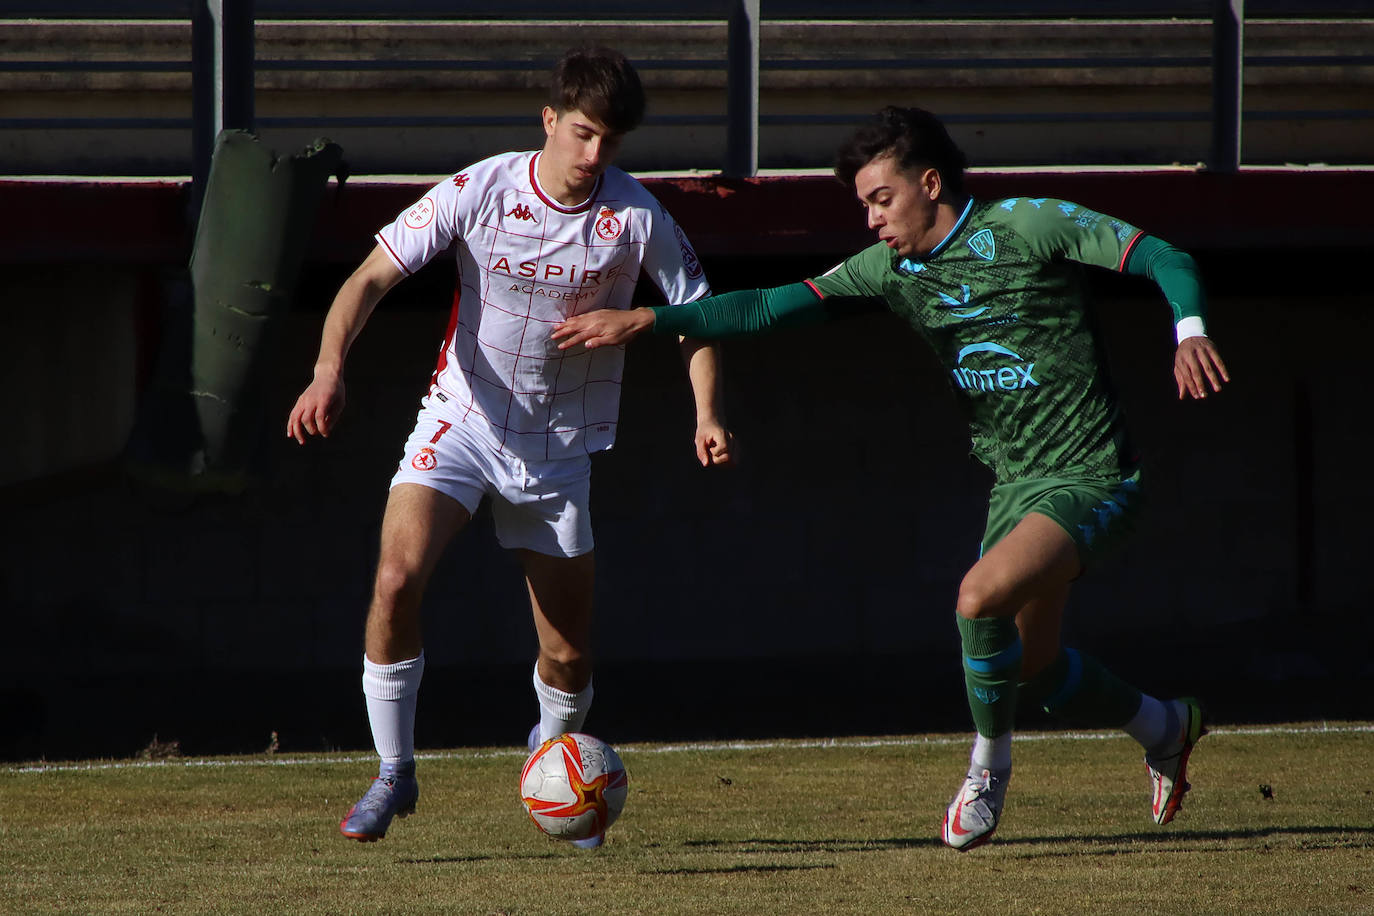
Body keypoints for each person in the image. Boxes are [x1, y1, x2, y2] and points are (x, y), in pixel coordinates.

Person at [551, 106, 1230, 851]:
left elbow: (1163, 255)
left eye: (881, 200)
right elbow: (770, 307)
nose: (871, 220)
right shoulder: (889, 270)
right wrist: (648, 321)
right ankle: (1166, 725)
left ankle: (988, 774)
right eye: (864, 206)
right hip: (1015, 487)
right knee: (1031, 670)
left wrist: (1188, 329)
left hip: (1093, 475)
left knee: (979, 596)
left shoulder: (1028, 225)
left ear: (929, 182)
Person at [287, 47, 733, 847]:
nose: (594, 157)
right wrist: (328, 372)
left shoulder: (636, 216)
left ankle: (556, 753)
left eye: (611, 143)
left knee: (566, 655)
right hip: (460, 424)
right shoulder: (479, 188)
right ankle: (394, 772)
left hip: (559, 452)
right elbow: (365, 282)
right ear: (550, 121)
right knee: (394, 581)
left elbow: (699, 314)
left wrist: (707, 412)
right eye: (584, 135)